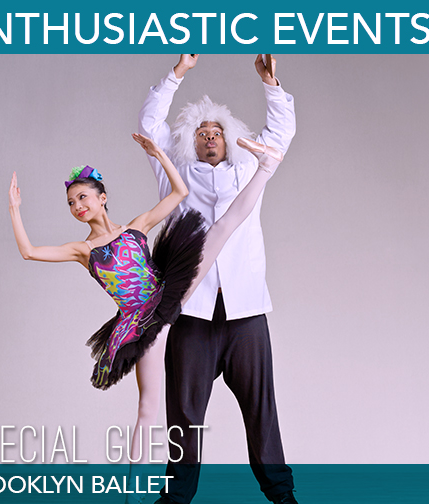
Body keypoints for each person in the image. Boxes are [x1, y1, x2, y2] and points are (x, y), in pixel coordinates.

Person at [8, 131, 285, 498]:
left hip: (169, 296)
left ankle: (267, 166)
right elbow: (28, 252)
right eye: (71, 203)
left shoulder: (135, 227)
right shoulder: (82, 249)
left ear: (102, 199)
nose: (77, 206)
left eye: (83, 197)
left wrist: (157, 152)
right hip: (141, 325)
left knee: (219, 231)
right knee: (147, 409)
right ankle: (132, 494)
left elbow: (180, 193)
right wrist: (14, 209)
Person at [138, 55, 298, 504]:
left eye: (216, 132)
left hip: (245, 313)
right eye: (200, 133)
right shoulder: (175, 173)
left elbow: (281, 134)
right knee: (184, 415)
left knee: (261, 412)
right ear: (190, 142)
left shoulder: (249, 168)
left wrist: (270, 85)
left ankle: (283, 496)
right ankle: (175, 499)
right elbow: (151, 126)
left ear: (229, 139)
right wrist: (177, 74)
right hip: (192, 314)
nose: (209, 137)